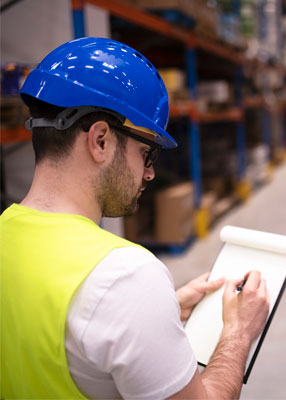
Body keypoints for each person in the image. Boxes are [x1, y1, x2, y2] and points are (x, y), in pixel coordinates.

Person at [0, 37, 270, 399]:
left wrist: (158, 312)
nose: (149, 174)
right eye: (147, 153)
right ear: (100, 140)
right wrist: (238, 333)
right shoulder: (125, 276)